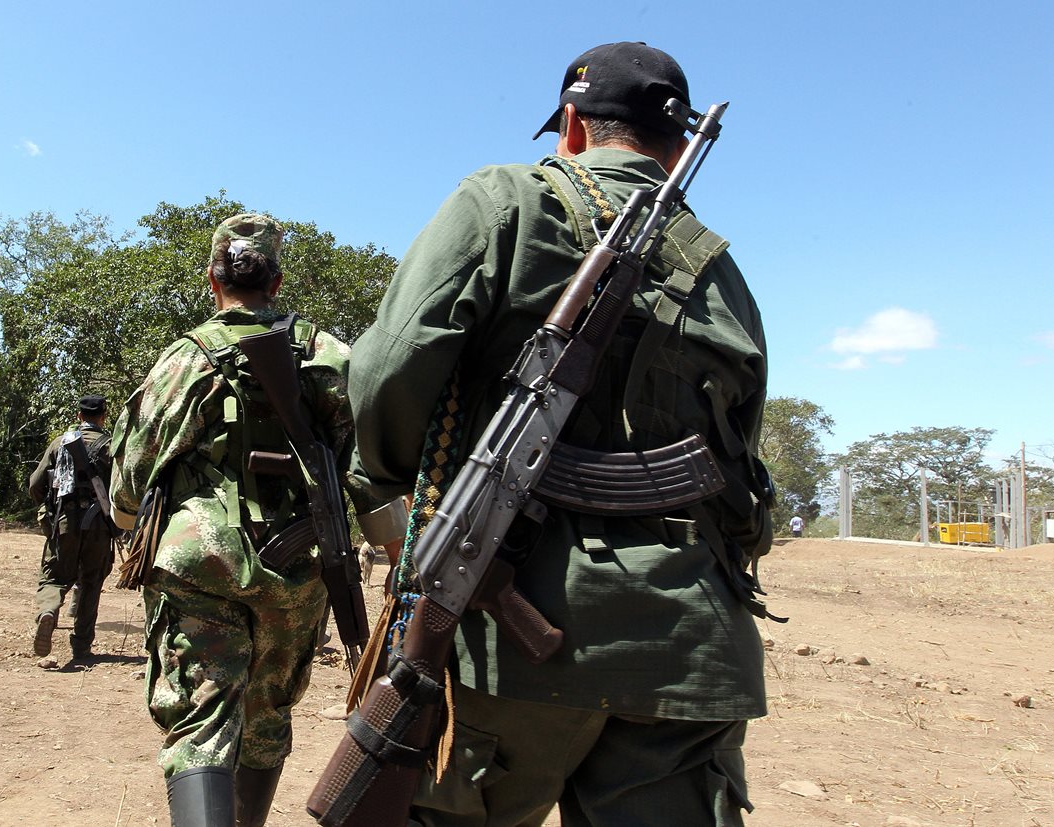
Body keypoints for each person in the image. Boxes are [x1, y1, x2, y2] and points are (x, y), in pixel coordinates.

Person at [349, 42, 773, 827]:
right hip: (688, 641)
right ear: (677, 145)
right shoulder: (722, 271)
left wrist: (393, 494)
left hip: (504, 642)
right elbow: (743, 472)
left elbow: (385, 374)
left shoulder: (501, 199)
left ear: (570, 125)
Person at [109, 214, 405, 827]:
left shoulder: (183, 359)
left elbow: (133, 473)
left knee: (203, 718)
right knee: (268, 714)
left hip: (201, 562)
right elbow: (366, 467)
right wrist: (391, 544)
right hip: (295, 567)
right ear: (278, 280)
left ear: (212, 280)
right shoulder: (327, 353)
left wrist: (127, 516)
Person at [27, 394, 115, 662]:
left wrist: (51, 506)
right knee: (91, 583)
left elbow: (35, 485)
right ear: (103, 416)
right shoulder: (111, 446)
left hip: (64, 521)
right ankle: (81, 647)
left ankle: (49, 612)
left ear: (79, 416)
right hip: (99, 523)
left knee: (55, 577)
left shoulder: (59, 443)